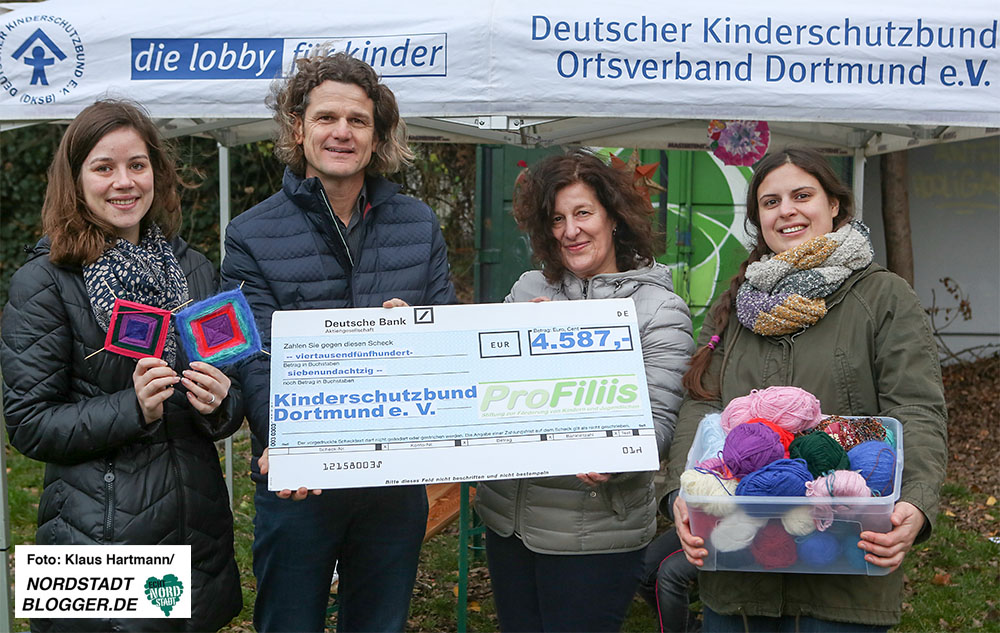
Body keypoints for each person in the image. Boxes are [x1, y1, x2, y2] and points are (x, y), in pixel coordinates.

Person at [220, 52, 456, 633]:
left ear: (378, 136)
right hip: (300, 480)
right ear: (298, 129)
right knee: (289, 622)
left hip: (390, 480)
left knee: (380, 622)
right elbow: (253, 353)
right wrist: (283, 441)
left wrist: (418, 331)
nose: (341, 132)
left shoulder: (418, 224)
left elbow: (445, 335)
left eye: (357, 120)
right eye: (326, 118)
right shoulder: (251, 233)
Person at [667, 147, 948, 632]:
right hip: (741, 572)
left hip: (845, 571)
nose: (787, 210)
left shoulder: (882, 297)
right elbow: (703, 406)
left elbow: (917, 410)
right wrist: (682, 492)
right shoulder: (739, 304)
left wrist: (915, 505)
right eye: (770, 202)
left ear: (834, 204)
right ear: (758, 217)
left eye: (802, 195)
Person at [0, 99, 243, 632]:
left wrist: (220, 404)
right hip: (96, 536)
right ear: (76, 180)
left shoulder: (193, 269)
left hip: (192, 526)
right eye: (104, 167)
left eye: (137, 164)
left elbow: (230, 398)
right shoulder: (45, 282)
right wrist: (132, 408)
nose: (124, 182)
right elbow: (28, 425)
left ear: (156, 170)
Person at [475, 151, 695, 632]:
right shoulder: (528, 288)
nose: (570, 230)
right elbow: (483, 388)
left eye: (582, 213)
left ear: (614, 217)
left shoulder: (659, 309)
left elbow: (660, 422)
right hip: (508, 521)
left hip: (593, 530)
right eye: (557, 218)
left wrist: (616, 459)